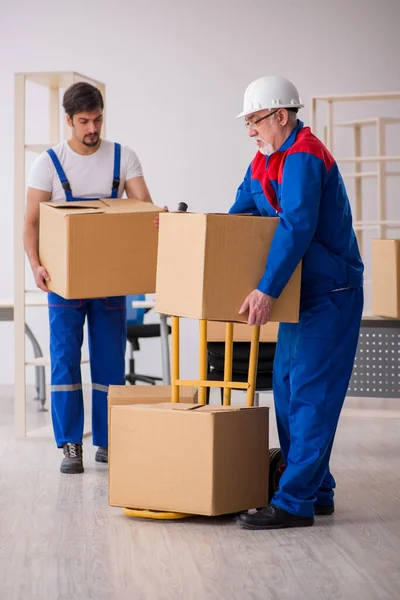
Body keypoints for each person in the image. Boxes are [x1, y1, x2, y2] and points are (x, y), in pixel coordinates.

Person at [230, 76, 364, 530]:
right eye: (248, 123)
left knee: (310, 394)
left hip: (331, 293)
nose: (251, 131)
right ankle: (315, 489)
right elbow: (238, 218)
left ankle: (294, 502)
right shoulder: (264, 161)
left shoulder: (305, 155)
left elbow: (297, 226)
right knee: (287, 390)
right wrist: (193, 236)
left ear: (280, 115)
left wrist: (266, 288)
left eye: (255, 121)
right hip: (299, 294)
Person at [24, 82, 153, 474]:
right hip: (62, 280)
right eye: (84, 121)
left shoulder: (123, 157)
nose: (92, 128)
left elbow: (145, 210)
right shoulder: (48, 162)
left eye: (97, 119)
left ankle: (109, 442)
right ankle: (69, 446)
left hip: (110, 279)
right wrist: (35, 265)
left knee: (110, 360)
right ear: (68, 120)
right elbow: (30, 223)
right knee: (64, 359)